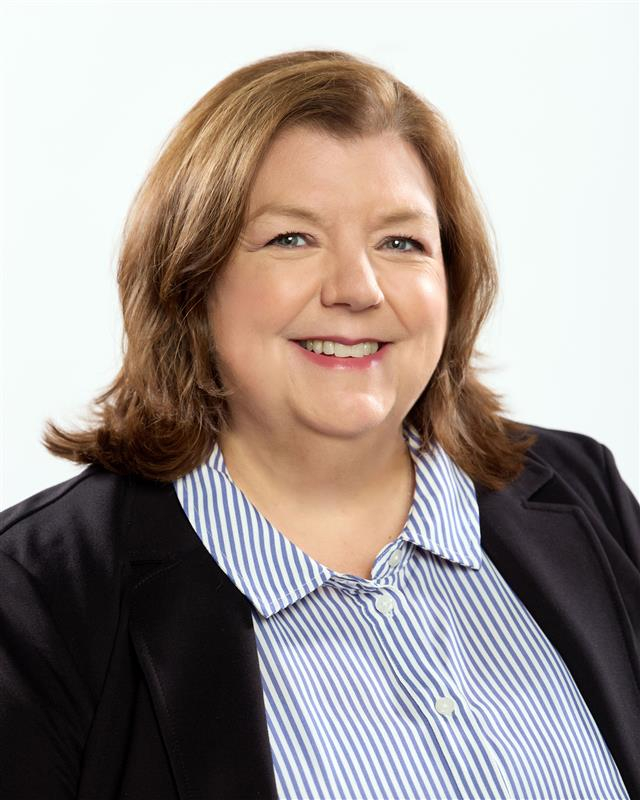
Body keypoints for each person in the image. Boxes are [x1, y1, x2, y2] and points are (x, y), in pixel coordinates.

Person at [1, 49, 638, 800]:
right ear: (191, 279)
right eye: (291, 239)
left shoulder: (582, 493)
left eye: (401, 242)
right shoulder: (36, 597)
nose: (357, 289)